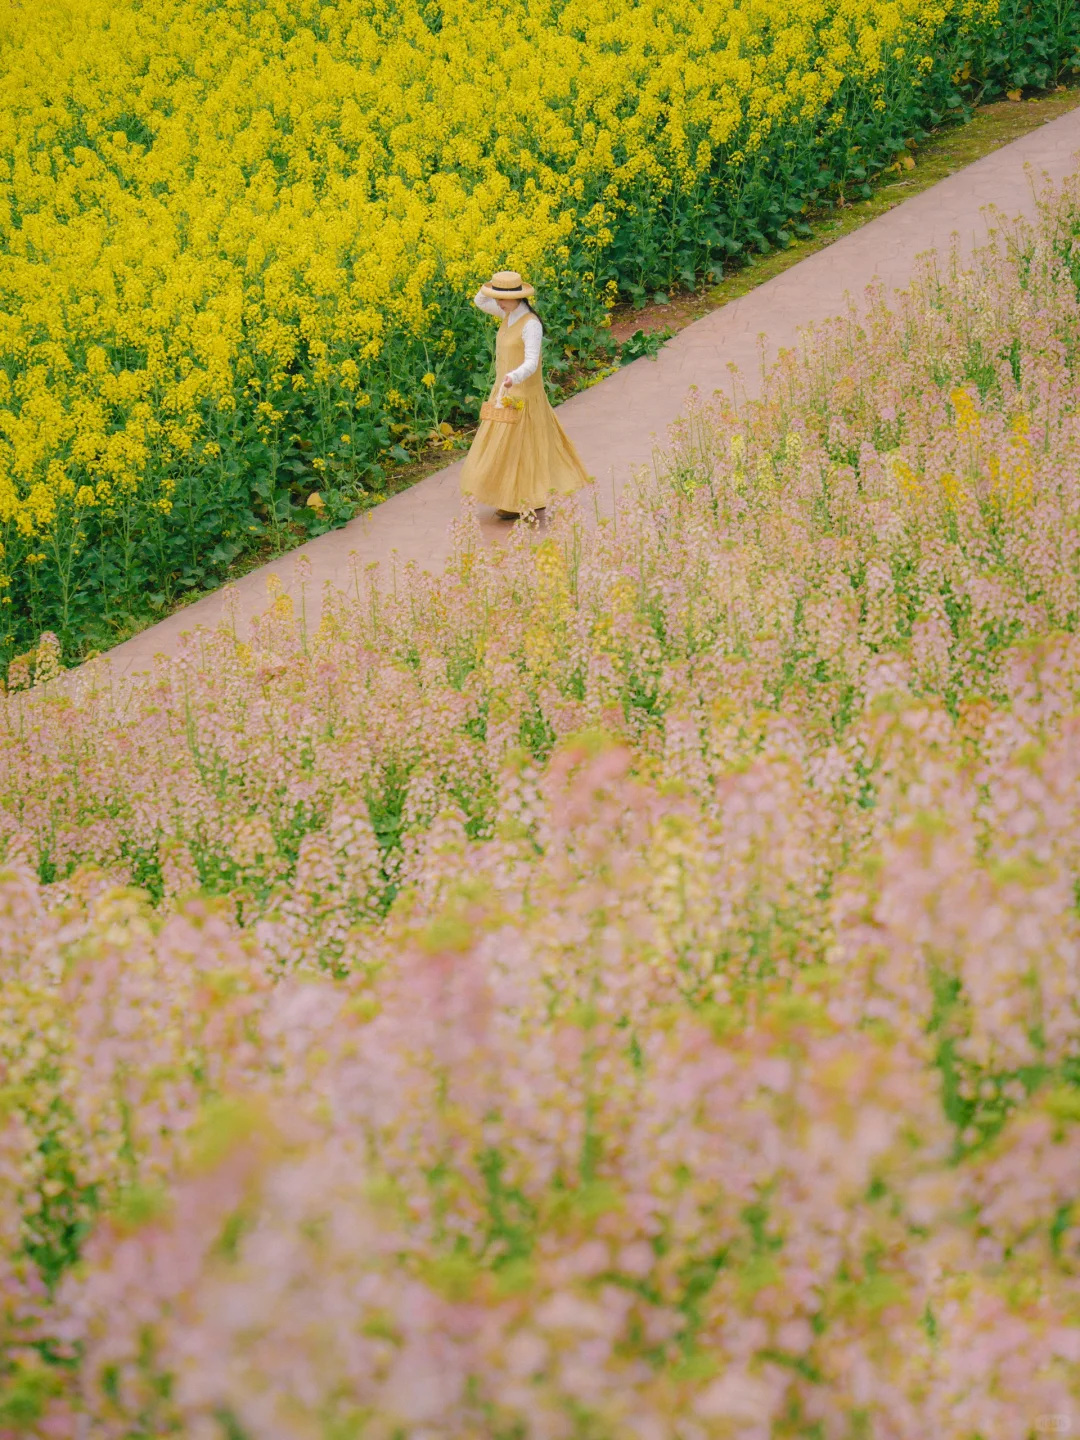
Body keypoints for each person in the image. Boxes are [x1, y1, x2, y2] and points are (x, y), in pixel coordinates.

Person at [460, 271, 590, 519]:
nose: (498, 303)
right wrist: (491, 284)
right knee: (506, 447)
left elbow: (532, 361)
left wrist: (513, 377)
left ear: (519, 298)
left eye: (503, 298)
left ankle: (523, 501)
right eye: (496, 297)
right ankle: (515, 499)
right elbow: (480, 301)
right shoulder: (507, 314)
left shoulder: (530, 324)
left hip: (523, 394)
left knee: (523, 448)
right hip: (504, 393)